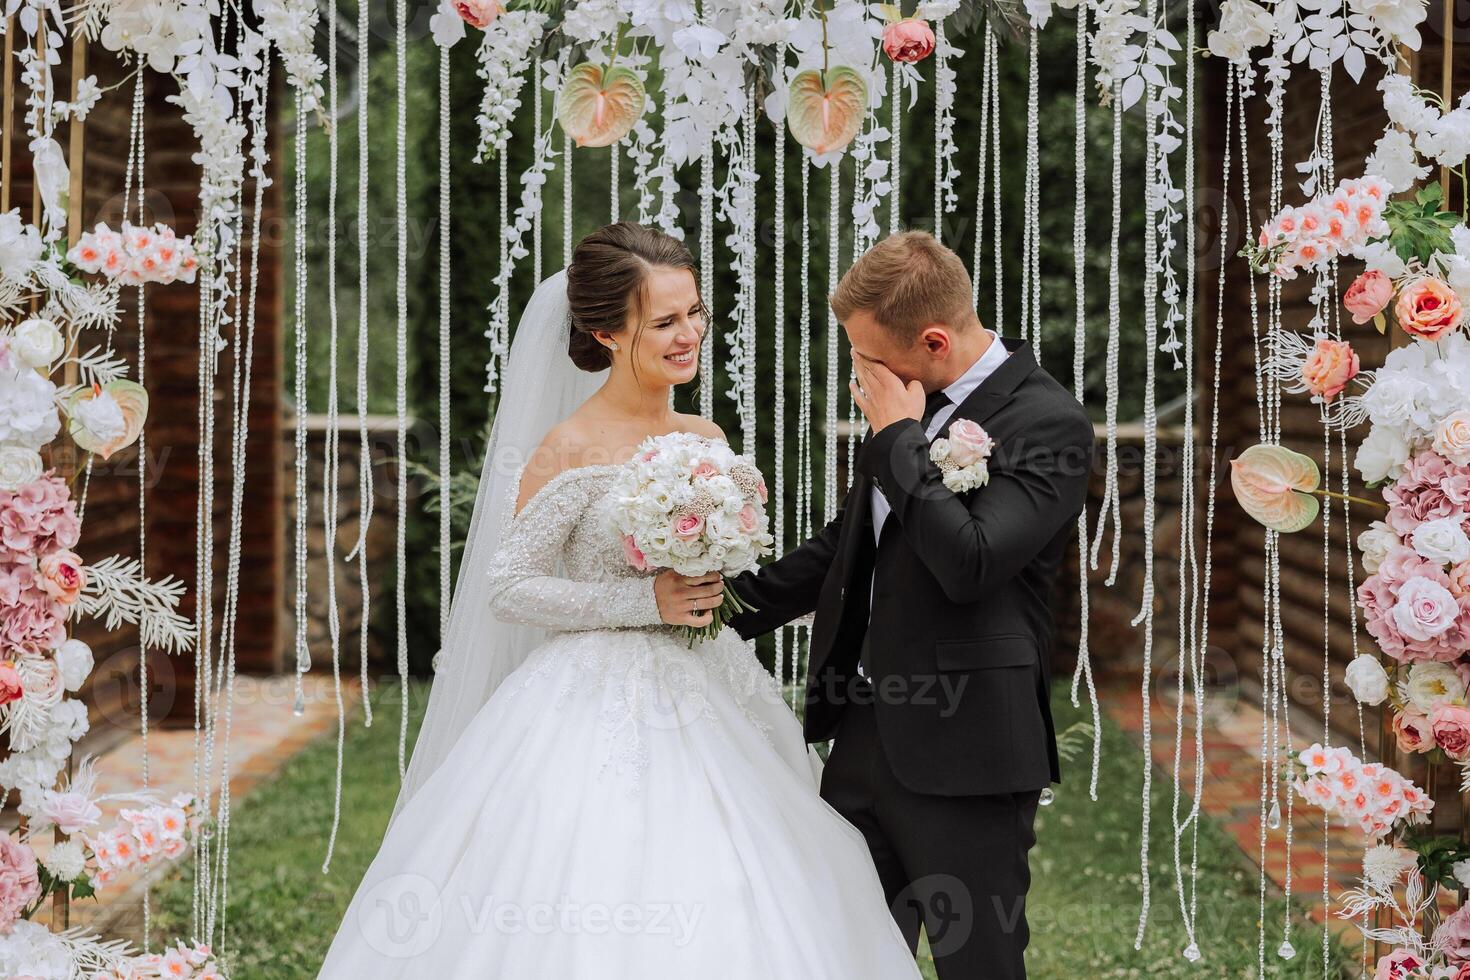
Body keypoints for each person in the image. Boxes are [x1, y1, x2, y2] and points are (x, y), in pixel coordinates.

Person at [316, 222, 920, 978]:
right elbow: (509, 584)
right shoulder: (570, 445)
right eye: (664, 322)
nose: (689, 334)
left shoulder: (705, 435)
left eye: (695, 313)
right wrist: (646, 601)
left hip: (710, 684)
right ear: (605, 331)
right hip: (587, 698)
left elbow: (724, 582)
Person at [728, 230, 1096, 980]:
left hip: (969, 749)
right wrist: (713, 610)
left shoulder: (1048, 423)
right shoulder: (910, 406)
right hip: (862, 737)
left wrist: (897, 435)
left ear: (933, 340)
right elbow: (848, 549)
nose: (861, 377)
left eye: (869, 360)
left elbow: (972, 562)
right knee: (840, 959)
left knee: (977, 966)